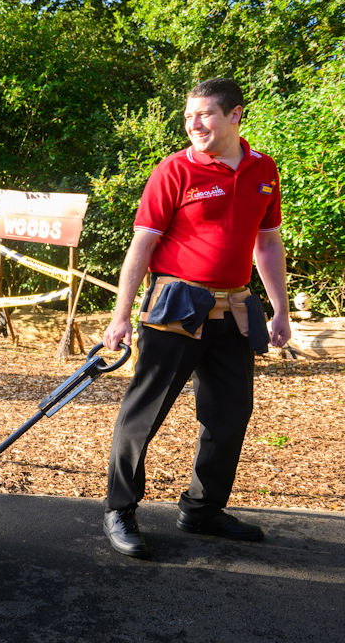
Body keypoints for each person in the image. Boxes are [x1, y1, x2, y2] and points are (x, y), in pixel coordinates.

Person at [100, 78, 291, 559]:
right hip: (176, 307)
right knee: (144, 414)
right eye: (188, 117)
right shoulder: (174, 170)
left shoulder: (263, 170)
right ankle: (120, 507)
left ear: (235, 116)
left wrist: (280, 310)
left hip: (237, 311)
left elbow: (266, 244)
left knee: (229, 415)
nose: (194, 124)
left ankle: (203, 510)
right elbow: (141, 245)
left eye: (204, 114)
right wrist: (121, 316)